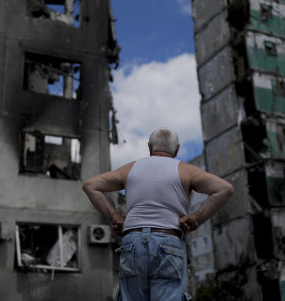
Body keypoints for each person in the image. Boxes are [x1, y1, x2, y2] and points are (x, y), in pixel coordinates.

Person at [82, 127, 234, 301]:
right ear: (176, 149)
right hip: (168, 241)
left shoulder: (129, 169)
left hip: (133, 242)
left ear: (149, 147)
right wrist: (197, 218)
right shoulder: (186, 170)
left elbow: (90, 185)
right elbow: (225, 189)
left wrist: (114, 217)